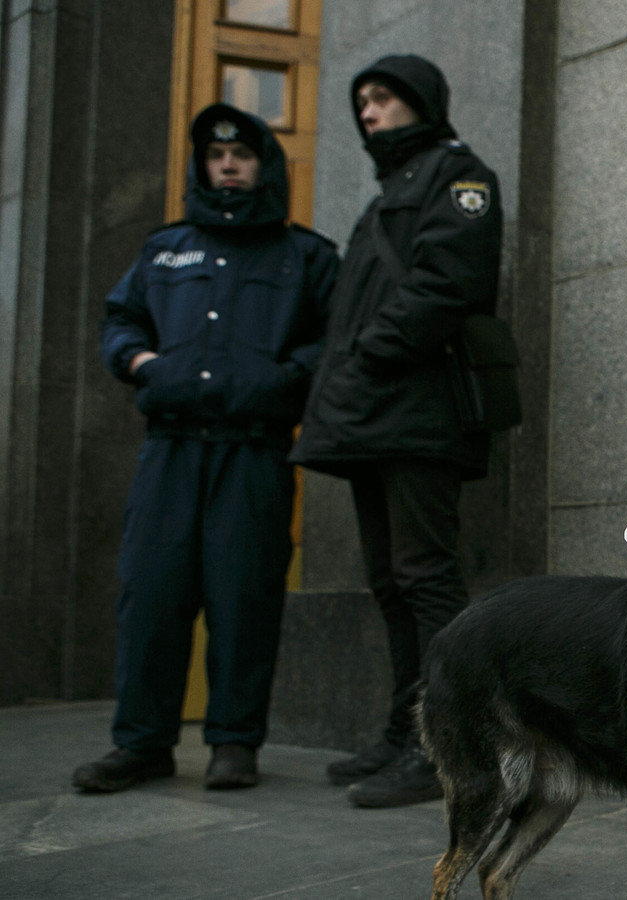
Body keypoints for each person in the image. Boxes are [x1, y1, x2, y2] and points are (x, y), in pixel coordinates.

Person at [76, 104, 338, 793]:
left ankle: (234, 741)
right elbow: (121, 319)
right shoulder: (164, 250)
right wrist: (140, 364)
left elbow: (334, 339)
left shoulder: (305, 256)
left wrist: (282, 380)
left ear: (264, 166)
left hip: (253, 453)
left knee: (243, 596)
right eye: (216, 156)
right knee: (152, 595)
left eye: (242, 155)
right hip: (169, 450)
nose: (227, 165)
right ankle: (142, 744)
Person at [290, 54, 504, 808]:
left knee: (424, 578)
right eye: (363, 102)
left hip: (418, 414)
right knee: (391, 582)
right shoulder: (394, 188)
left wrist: (367, 352)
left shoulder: (459, 176)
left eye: (383, 98)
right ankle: (403, 727)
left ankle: (443, 744)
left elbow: (451, 283)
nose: (369, 112)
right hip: (376, 416)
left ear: (422, 103)